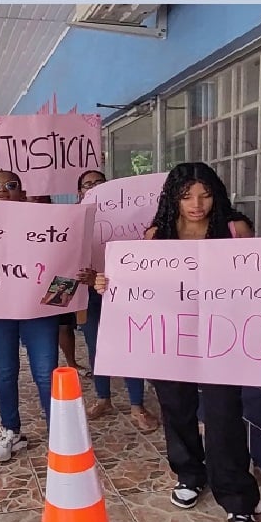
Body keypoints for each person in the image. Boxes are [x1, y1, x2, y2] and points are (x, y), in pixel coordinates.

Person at [95, 162, 261, 522]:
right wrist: (111, 283)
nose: (197, 204)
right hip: (170, 341)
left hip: (223, 342)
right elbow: (139, 283)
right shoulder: (156, 235)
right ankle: (189, 472)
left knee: (224, 417)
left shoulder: (235, 230)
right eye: (187, 196)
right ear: (173, 198)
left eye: (204, 195)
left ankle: (237, 498)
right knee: (176, 410)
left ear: (216, 194)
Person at [0, 170, 62, 462]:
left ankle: (59, 434)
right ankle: (10, 430)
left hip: (38, 309)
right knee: (4, 371)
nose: (3, 190)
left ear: (23, 193)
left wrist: (62, 296)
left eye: (11, 185)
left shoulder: (45, 224)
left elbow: (65, 260)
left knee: (46, 373)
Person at [76, 169, 158, 433]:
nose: (93, 187)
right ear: (80, 193)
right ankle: (104, 399)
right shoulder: (73, 221)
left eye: (98, 183)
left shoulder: (133, 216)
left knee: (128, 344)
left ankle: (137, 405)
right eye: (87, 185)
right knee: (95, 345)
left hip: (124, 290)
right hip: (89, 293)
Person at [25, 193, 89, 375]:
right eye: (31, 193)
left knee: (64, 324)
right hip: (26, 280)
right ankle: (42, 365)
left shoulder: (64, 214)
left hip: (61, 277)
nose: (36, 196)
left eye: (40, 193)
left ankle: (70, 362)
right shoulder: (17, 215)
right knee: (39, 326)